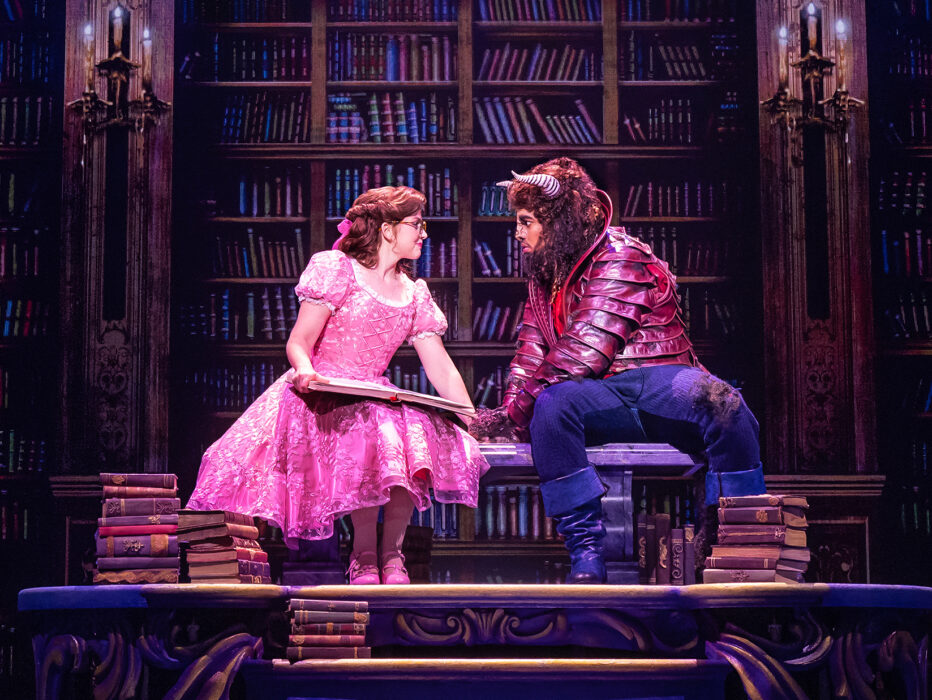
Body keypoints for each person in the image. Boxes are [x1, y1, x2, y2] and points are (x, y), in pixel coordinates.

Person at [470, 158, 765, 584]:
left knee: (724, 403)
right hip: (601, 394)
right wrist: (509, 414)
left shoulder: (622, 255)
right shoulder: (545, 276)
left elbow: (581, 354)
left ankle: (736, 538)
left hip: (655, 377)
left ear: (557, 220)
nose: (518, 232)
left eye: (527, 221)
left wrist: (512, 416)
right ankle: (586, 552)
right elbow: (533, 355)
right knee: (551, 406)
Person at [188, 186, 489, 585]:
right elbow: (299, 341)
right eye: (416, 224)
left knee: (409, 429)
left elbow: (440, 368)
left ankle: (393, 555)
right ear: (386, 230)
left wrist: (470, 415)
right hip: (322, 392)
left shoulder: (414, 293)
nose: (424, 233)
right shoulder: (337, 269)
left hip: (372, 392)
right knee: (367, 429)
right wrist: (305, 370)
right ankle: (364, 554)